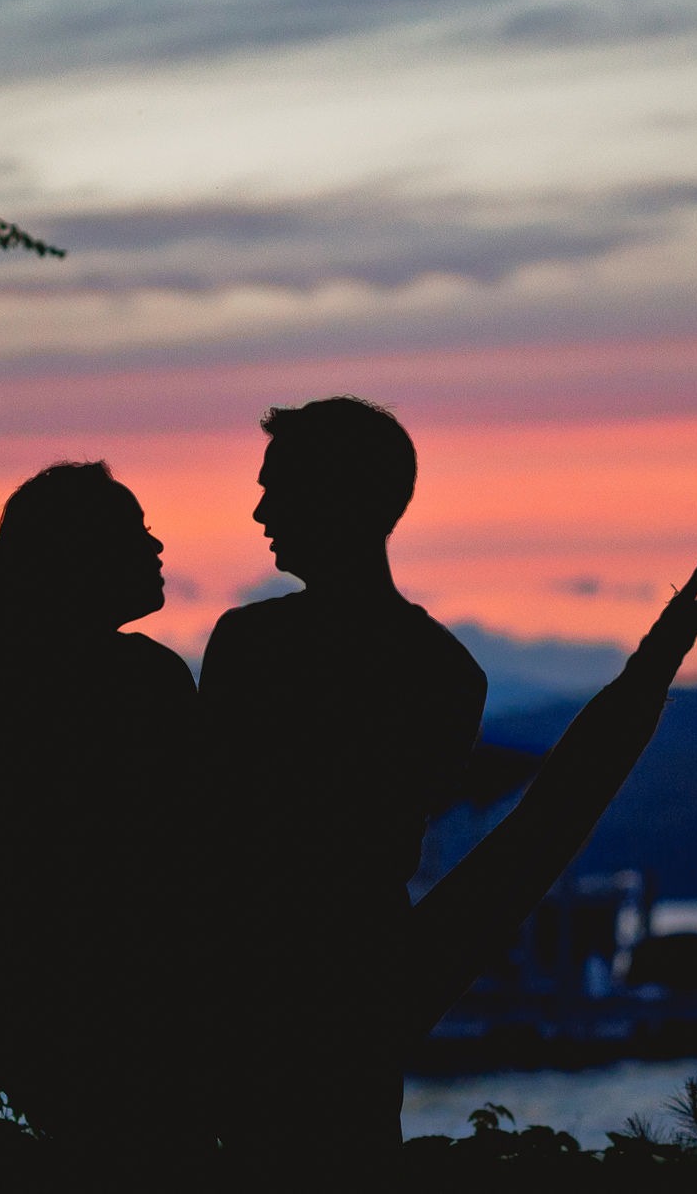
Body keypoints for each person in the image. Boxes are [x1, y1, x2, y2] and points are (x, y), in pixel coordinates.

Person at [198, 397, 486, 1163]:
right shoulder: (448, 672)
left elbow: (208, 819)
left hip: (250, 976)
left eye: (277, 486)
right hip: (359, 978)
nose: (259, 509)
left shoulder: (248, 644)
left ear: (336, 497)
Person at [0, 461, 201, 1144]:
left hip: (14, 968)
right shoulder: (152, 678)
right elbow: (197, 840)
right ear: (83, 552)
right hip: (141, 972)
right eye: (136, 532)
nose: (155, 548)